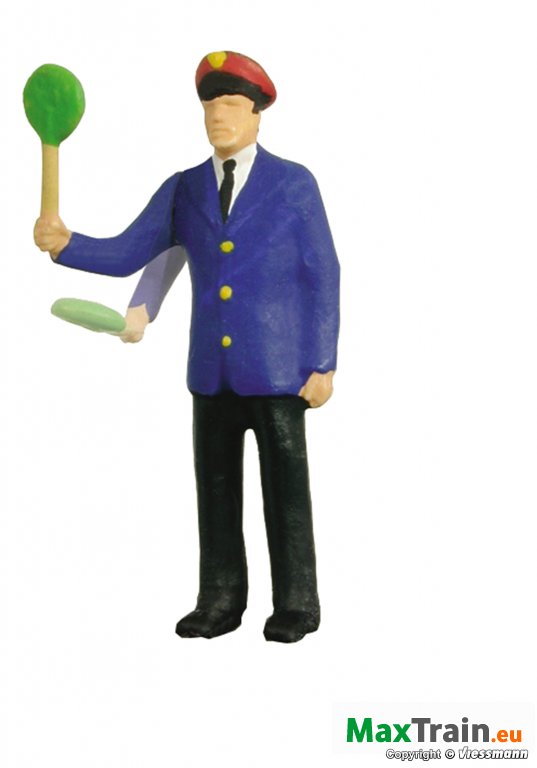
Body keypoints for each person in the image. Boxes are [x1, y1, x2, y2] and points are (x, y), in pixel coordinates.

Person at [34, 51, 340, 643]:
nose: (219, 117)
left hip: (279, 371)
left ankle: (296, 602)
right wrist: (67, 243)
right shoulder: (184, 189)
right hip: (210, 369)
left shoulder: (293, 184)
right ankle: (220, 598)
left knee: (286, 495)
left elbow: (322, 272)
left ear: (256, 114)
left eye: (231, 105)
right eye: (210, 107)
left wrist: (322, 362)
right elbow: (130, 251)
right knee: (215, 490)